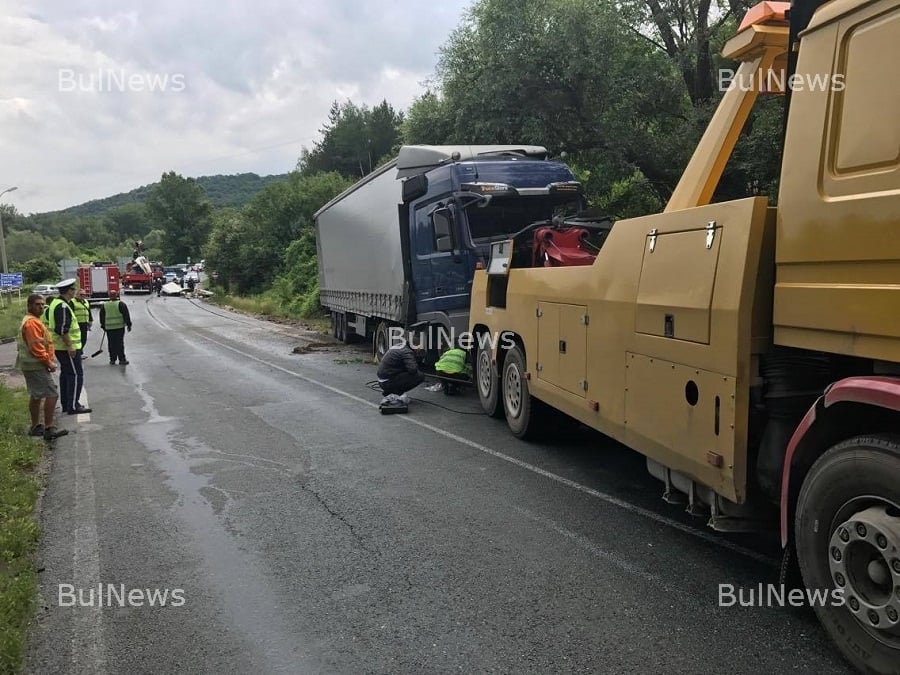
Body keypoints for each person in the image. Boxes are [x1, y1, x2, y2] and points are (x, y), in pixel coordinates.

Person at [16, 294, 68, 440]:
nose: (41, 307)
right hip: (36, 365)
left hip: (31, 365)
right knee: (52, 393)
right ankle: (49, 428)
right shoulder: (32, 323)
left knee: (36, 395)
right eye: (37, 304)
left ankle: (35, 426)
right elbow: (36, 347)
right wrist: (49, 362)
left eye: (42, 304)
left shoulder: (31, 320)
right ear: (29, 306)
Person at [44, 278, 91, 415]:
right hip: (66, 347)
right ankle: (73, 405)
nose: (74, 291)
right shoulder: (62, 306)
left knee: (66, 375)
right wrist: (70, 346)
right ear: (68, 291)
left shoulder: (57, 303)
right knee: (75, 375)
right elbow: (62, 329)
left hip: (60, 347)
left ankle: (66, 404)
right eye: (73, 289)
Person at [100, 289, 132, 365]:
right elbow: (126, 316)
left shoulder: (104, 305)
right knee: (120, 344)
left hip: (109, 329)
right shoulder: (121, 304)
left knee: (111, 344)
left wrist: (103, 326)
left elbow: (102, 317)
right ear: (117, 295)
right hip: (119, 327)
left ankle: (112, 359)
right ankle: (122, 359)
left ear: (109, 296)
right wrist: (129, 325)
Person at [71, 288, 93, 356]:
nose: (83, 296)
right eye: (81, 294)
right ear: (76, 294)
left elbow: (88, 311)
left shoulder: (86, 301)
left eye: (84, 295)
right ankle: (78, 353)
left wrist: (90, 320)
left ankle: (80, 351)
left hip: (84, 323)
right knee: (77, 339)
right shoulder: (72, 302)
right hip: (76, 323)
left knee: (84, 339)